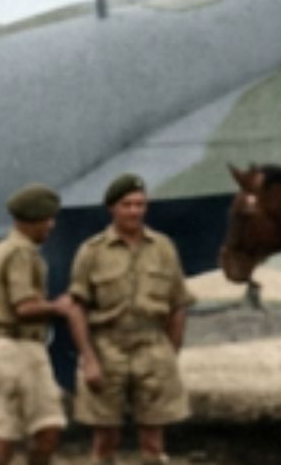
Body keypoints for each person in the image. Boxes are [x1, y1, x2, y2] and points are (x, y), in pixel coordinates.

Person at [66, 173, 193, 465]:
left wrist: (171, 352)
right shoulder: (92, 251)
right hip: (107, 349)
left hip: (152, 347)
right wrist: (89, 359)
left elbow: (178, 305)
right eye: (127, 205)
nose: (134, 211)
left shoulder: (163, 248)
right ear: (112, 208)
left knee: (153, 439)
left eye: (140, 204)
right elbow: (76, 308)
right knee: (105, 439)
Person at [0, 184, 79, 465]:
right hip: (20, 350)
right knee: (46, 429)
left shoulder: (4, 248)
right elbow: (25, 308)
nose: (51, 225)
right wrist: (59, 307)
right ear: (32, 220)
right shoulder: (21, 253)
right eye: (47, 219)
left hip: (6, 348)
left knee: (9, 433)